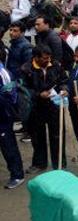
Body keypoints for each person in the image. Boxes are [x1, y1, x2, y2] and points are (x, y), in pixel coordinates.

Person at [21, 46, 68, 172]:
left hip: (54, 105)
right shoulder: (26, 69)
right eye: (44, 58)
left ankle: (59, 163)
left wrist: (64, 89)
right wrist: (38, 94)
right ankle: (39, 164)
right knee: (37, 137)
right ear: (36, 58)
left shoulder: (56, 65)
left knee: (57, 135)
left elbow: (63, 80)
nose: (48, 60)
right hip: (36, 108)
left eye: (49, 57)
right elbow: (23, 90)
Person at [0, 54, 25, 189]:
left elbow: (11, 97)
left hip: (3, 117)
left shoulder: (3, 73)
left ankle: (17, 175)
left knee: (8, 146)